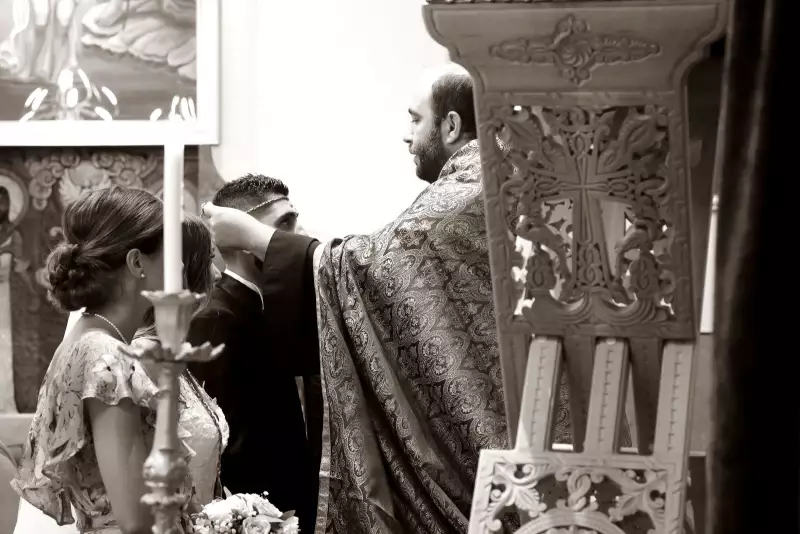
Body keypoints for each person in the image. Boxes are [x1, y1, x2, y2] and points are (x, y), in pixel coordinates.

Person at [201, 64, 572, 533]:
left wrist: (260, 238)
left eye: (416, 120)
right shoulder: (506, 176)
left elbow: (365, 266)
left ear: (451, 126)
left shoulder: (468, 190)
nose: (407, 135)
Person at [11, 188, 225, 534]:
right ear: (137, 262)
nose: (183, 266)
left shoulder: (88, 338)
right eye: (171, 255)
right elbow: (137, 519)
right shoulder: (105, 356)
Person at [187, 174, 319, 533]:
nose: (300, 234)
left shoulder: (279, 306)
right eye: (284, 225)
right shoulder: (215, 317)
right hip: (255, 514)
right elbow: (226, 442)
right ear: (240, 237)